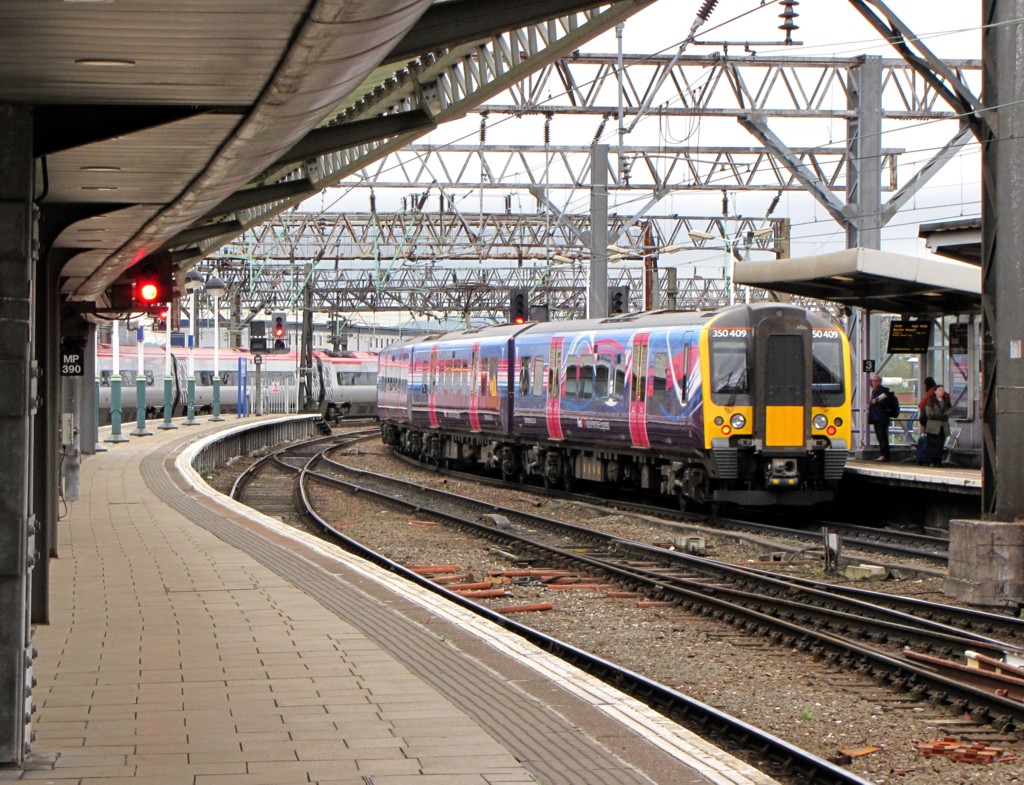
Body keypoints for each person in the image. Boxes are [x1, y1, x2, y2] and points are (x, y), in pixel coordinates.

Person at [868, 374, 900, 461]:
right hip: (876, 417)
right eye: (873, 381)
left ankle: (885, 455)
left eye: (875, 381)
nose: (873, 383)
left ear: (879, 381)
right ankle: (882, 454)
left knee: (883, 436)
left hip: (882, 417)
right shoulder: (874, 391)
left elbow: (882, 403)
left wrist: (876, 402)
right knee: (879, 436)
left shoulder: (884, 391)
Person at [923, 384, 951, 467]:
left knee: (940, 444)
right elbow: (929, 414)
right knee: (932, 444)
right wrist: (941, 416)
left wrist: (946, 415)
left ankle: (939, 460)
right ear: (935, 392)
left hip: (943, 426)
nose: (941, 392)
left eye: (942, 390)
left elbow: (950, 410)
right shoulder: (931, 401)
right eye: (939, 390)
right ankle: (932, 460)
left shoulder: (946, 401)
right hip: (933, 427)